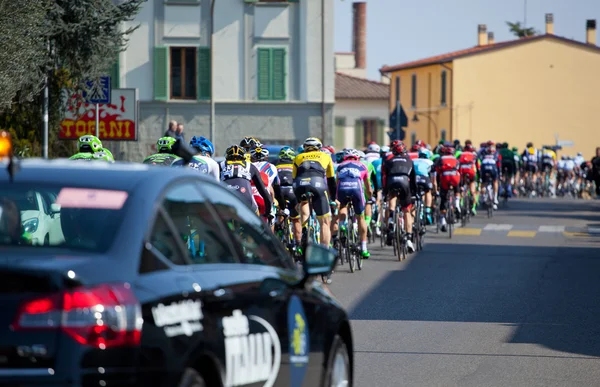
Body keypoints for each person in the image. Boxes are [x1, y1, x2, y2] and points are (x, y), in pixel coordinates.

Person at [292, 137, 337, 251]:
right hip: (317, 184)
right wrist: (333, 198)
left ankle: (305, 226)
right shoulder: (326, 156)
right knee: (325, 222)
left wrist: (297, 200)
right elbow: (331, 180)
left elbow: (294, 179)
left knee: (304, 202)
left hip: (299, 184)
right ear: (319, 147)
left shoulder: (298, 157)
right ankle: (324, 254)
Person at [336, 148, 373, 259]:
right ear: (358, 158)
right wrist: (370, 196)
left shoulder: (340, 166)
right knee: (361, 218)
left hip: (342, 189)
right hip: (356, 190)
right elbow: (368, 187)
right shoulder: (363, 166)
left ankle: (342, 224)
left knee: (343, 206)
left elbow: (336, 182)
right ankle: (364, 248)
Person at [382, 141, 416, 252]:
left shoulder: (388, 160)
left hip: (392, 181)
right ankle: (409, 239)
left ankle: (391, 219)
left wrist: (385, 192)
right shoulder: (409, 160)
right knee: (406, 211)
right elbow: (413, 179)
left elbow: (384, 177)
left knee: (392, 197)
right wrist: (414, 193)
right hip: (405, 182)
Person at [220, 145, 272, 216]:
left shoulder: (220, 165)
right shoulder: (250, 166)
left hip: (226, 197)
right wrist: (268, 212)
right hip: (245, 197)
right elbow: (264, 192)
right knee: (256, 220)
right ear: (243, 157)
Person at [275, 146, 302, 252]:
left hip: (280, 191)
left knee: (281, 212)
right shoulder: (296, 165)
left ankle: (280, 232)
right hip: (292, 191)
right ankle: (298, 245)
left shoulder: (275, 165)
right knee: (296, 219)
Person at [251, 146, 283, 223]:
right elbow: (276, 187)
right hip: (264, 197)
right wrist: (282, 205)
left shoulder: (248, 165)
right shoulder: (272, 167)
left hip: (249, 196)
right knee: (269, 219)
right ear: (266, 157)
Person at [435, 145, 461, 232]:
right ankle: (457, 203)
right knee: (457, 188)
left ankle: (442, 220)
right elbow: (459, 170)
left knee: (444, 199)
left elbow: (438, 171)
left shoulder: (441, 158)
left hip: (445, 177)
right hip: (455, 177)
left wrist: (438, 184)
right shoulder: (456, 159)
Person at [414, 148, 434, 224]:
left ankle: (416, 209)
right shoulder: (430, 162)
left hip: (415, 179)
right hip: (425, 178)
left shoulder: (414, 160)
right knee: (428, 192)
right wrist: (434, 188)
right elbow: (433, 178)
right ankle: (428, 211)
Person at [458, 144, 480, 214]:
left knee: (461, 189)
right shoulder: (474, 156)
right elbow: (478, 168)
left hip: (462, 173)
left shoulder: (461, 155)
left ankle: (460, 204)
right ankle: (473, 208)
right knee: (473, 191)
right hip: (471, 173)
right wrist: (479, 178)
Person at [480, 142, 501, 209]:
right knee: (495, 181)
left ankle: (483, 198)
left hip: (484, 167)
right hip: (493, 168)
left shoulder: (482, 151)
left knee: (483, 183)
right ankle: (495, 199)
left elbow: (479, 161)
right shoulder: (496, 153)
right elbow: (499, 164)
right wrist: (500, 173)